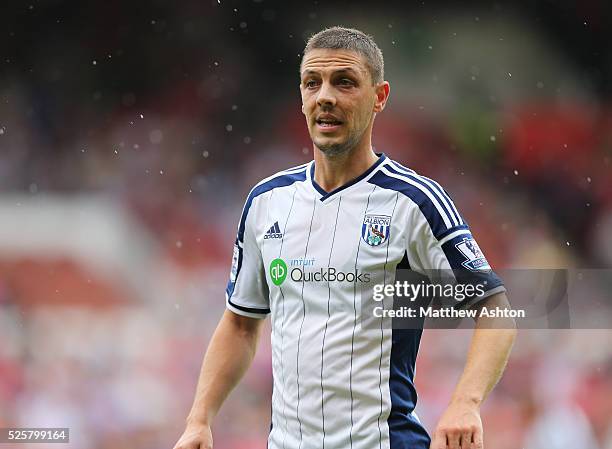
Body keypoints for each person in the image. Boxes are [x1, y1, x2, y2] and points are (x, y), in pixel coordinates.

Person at [173, 26, 516, 449]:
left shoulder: (413, 201)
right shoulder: (267, 201)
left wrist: (465, 402)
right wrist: (199, 419)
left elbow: (495, 309)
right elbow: (241, 324)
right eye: (312, 83)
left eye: (345, 82)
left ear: (380, 97)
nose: (325, 97)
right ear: (301, 97)